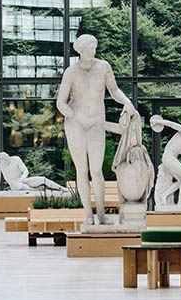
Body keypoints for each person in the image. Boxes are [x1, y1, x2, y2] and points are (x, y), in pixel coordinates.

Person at [56, 34, 137, 225]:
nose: (94, 51)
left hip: (95, 122)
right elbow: (61, 100)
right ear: (81, 50)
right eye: (91, 48)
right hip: (76, 123)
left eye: (95, 47)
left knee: (97, 170)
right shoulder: (71, 72)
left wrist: (127, 102)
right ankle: (88, 216)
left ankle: (101, 213)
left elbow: (115, 91)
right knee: (82, 170)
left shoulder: (103, 67)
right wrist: (67, 111)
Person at [0, 152, 68, 192]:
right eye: (3, 162)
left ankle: (61, 188)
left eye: (6, 161)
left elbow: (26, 171)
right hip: (14, 184)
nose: (5, 163)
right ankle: (37, 190)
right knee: (21, 186)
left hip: (23, 179)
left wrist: (21, 179)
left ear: (7, 157)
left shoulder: (16, 159)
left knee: (43, 179)